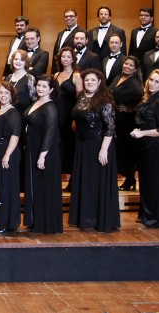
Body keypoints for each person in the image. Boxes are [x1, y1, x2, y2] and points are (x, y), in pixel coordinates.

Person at [68, 69, 119, 233]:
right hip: (82, 145)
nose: (89, 82)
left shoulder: (105, 100)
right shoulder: (82, 96)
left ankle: (97, 219)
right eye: (87, 80)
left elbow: (110, 128)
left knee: (96, 183)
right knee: (85, 182)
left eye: (92, 80)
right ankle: (85, 218)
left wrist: (104, 150)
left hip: (98, 145)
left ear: (99, 82)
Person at [130, 70, 159, 229]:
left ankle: (157, 218)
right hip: (147, 147)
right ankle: (146, 215)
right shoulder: (149, 99)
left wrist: (142, 133)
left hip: (157, 147)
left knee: (155, 183)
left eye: (157, 81)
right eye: (151, 80)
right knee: (147, 182)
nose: (152, 83)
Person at [24, 77, 62, 234]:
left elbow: (50, 133)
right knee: (35, 186)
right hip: (32, 149)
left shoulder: (50, 107)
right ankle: (35, 221)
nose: (40, 88)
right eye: (38, 85)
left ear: (51, 89)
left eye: (44, 86)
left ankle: (45, 223)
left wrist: (42, 155)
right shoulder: (36, 102)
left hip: (45, 152)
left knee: (44, 187)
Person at [0, 81, 22, 234]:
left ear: (11, 96)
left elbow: (15, 135)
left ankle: (7, 222)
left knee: (5, 187)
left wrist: (7, 155)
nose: (3, 96)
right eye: (1, 93)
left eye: (6, 93)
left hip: (8, 152)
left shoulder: (13, 113)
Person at [111, 55, 144, 191]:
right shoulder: (118, 77)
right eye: (126, 64)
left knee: (126, 152)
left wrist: (130, 108)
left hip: (126, 122)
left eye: (131, 65)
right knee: (118, 150)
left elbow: (143, 99)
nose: (127, 67)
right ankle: (126, 179)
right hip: (115, 119)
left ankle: (130, 179)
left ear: (135, 69)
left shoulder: (135, 84)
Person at [53, 47, 83, 177]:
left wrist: (76, 119)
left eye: (68, 57)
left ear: (73, 59)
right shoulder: (56, 75)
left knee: (69, 144)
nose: (65, 59)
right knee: (57, 144)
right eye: (63, 56)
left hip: (69, 115)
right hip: (56, 115)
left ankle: (72, 178)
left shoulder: (76, 76)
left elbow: (80, 99)